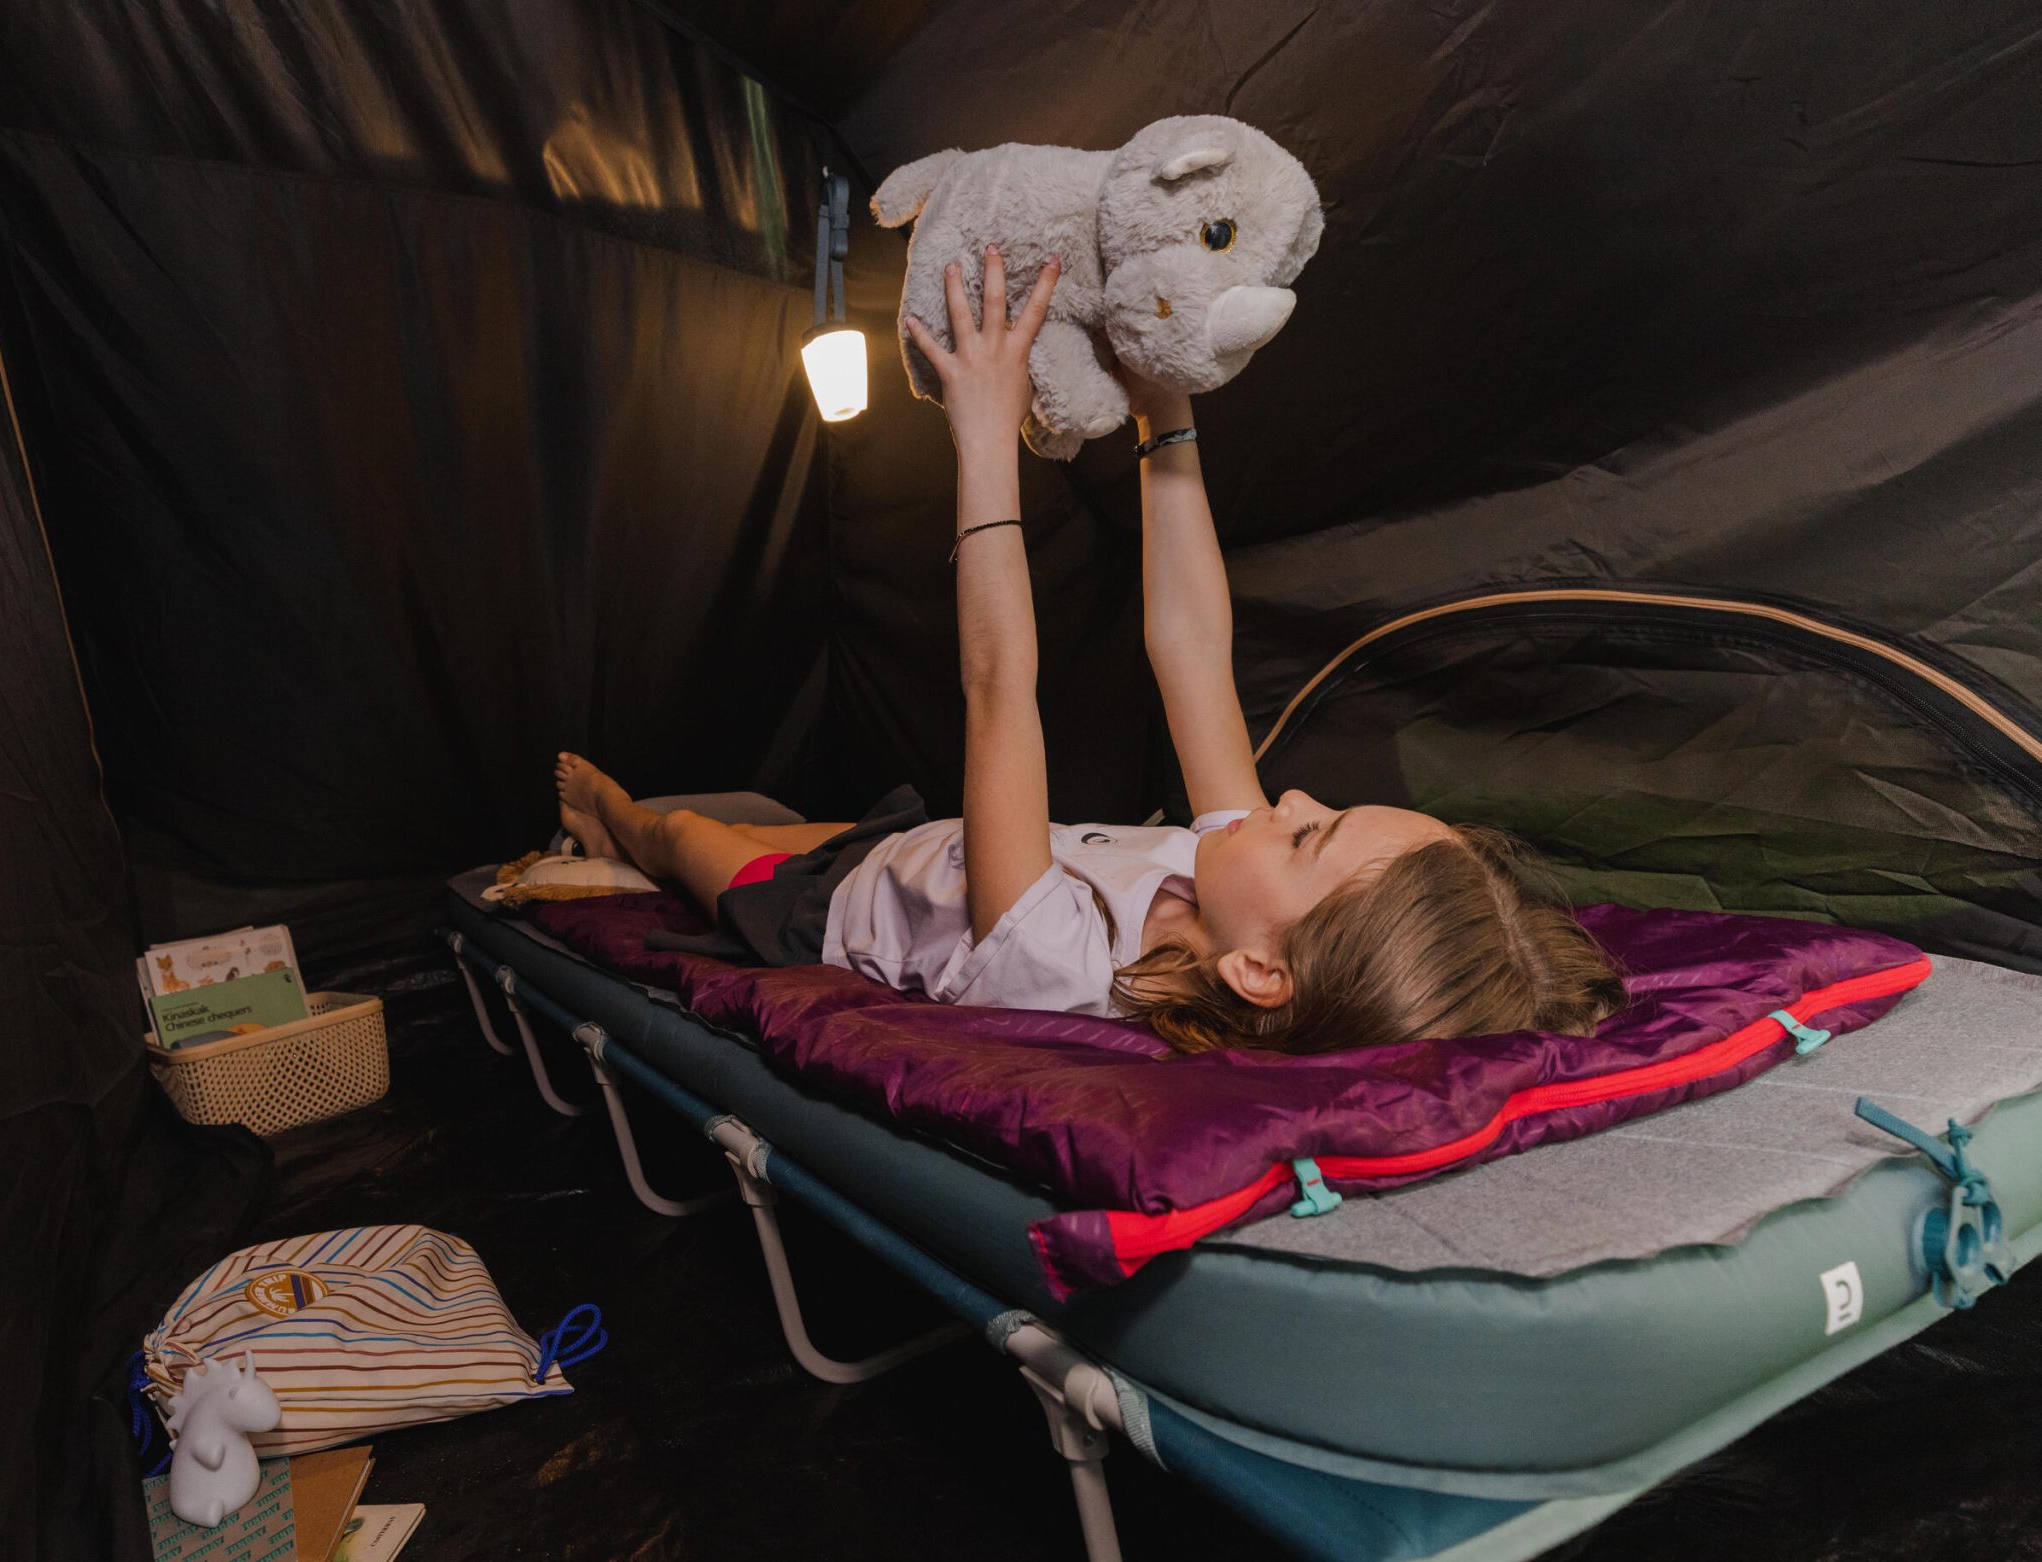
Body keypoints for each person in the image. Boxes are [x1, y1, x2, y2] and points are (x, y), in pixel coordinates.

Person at [555, 246, 1622, 1054]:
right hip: (926, 851)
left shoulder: (1062, 970)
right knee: (782, 821)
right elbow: (1192, 648)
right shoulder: (1238, 883)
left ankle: (616, 823)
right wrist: (1167, 412)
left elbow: (998, 688)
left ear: (1259, 972)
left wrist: (983, 433)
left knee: (685, 835)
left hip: (836, 912)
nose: (1292, 799)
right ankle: (647, 824)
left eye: (1310, 835)